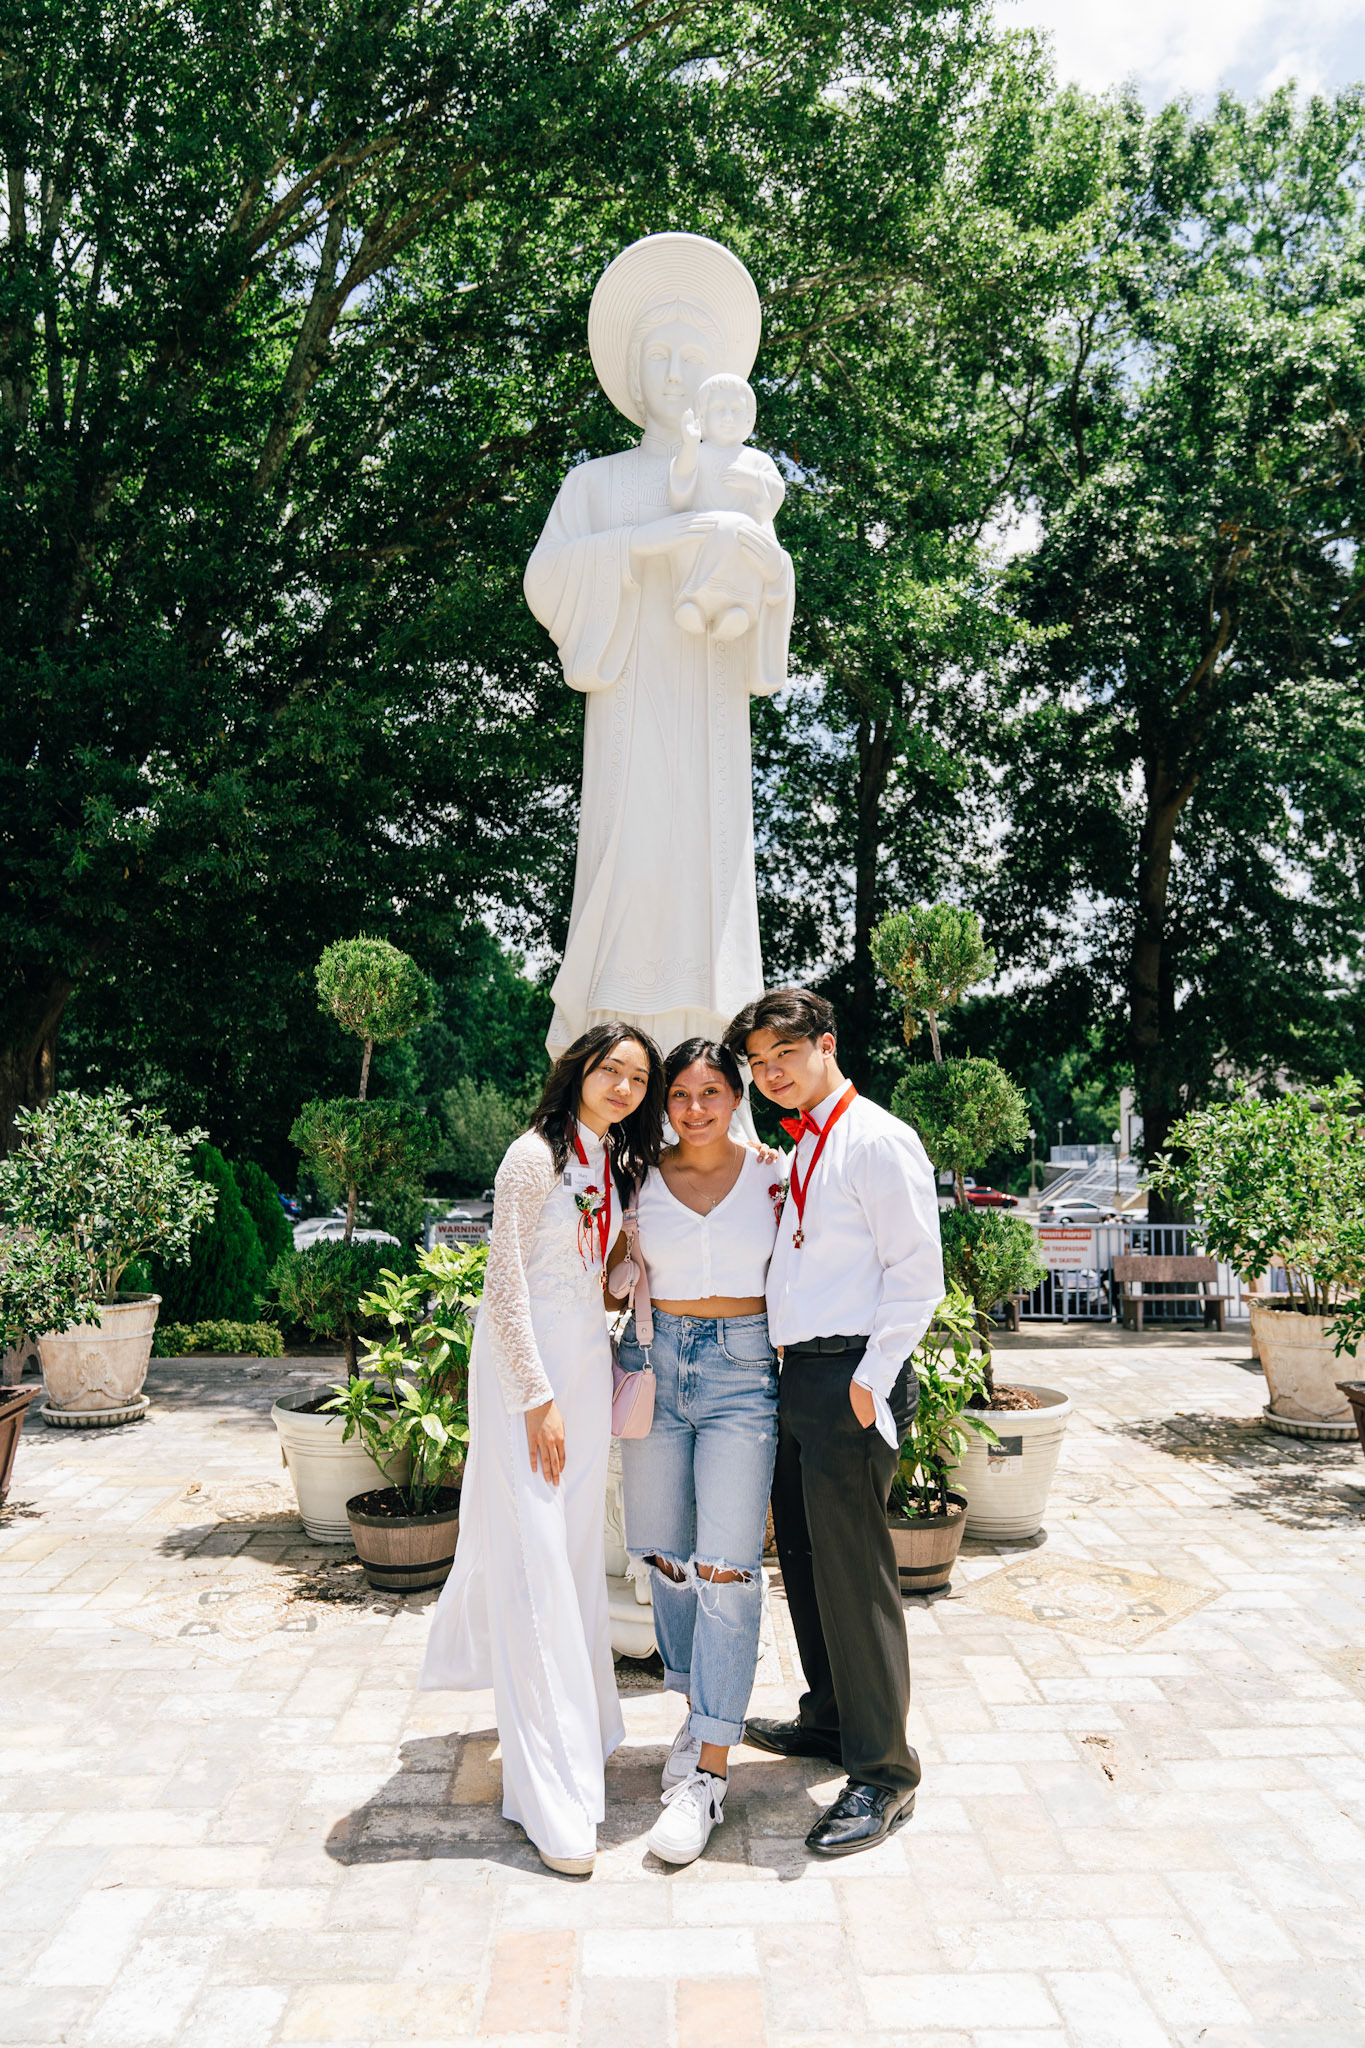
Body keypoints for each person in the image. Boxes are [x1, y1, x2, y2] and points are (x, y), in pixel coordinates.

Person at [419, 1024, 664, 1877]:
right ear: (578, 1071)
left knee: (573, 1556)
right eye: (611, 1070)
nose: (624, 1086)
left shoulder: (615, 1162)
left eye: (638, 1078)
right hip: (528, 1376)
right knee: (534, 1564)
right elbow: (504, 1283)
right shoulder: (532, 1157)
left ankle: (583, 1729)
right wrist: (534, 1397)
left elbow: (593, 1278)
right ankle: (547, 1793)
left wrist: (627, 1268)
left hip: (587, 1367)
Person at [723, 987, 944, 1857]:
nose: (770, 1074)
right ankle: (828, 1719)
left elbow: (916, 1272)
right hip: (797, 1378)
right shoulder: (803, 1145)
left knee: (855, 1575)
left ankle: (885, 1771)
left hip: (853, 1375)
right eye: (758, 1063)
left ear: (826, 1044)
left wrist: (870, 1380)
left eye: (784, 1054)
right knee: (807, 1565)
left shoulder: (877, 1140)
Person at [615, 1038, 783, 1865]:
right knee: (664, 1557)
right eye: (678, 1094)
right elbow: (608, 1272)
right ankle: (695, 1709)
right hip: (653, 1360)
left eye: (710, 1091)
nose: (693, 1108)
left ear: (735, 1096)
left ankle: (711, 1772)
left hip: (743, 1371)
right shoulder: (636, 1175)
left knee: (727, 1569)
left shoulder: (774, 1177)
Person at [667, 372, 786, 642]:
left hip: (741, 536)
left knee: (745, 542)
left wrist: (753, 480)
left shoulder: (756, 460)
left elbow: (774, 495)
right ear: (703, 416)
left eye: (736, 411)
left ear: (748, 419)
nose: (728, 417)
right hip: (703, 532)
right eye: (720, 409)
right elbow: (679, 493)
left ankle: (739, 609)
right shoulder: (696, 454)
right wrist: (689, 446)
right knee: (693, 538)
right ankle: (692, 604)